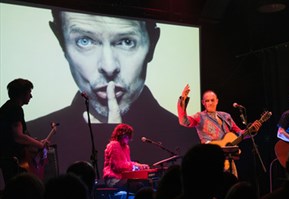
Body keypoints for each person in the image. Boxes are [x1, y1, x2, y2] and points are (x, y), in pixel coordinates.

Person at [27, 9, 198, 178]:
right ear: (61, 41)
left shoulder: (186, 134)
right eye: (84, 41)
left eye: (126, 42)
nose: (109, 67)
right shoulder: (34, 130)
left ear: (152, 44)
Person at [177, 84, 262, 176]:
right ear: (203, 103)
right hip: (210, 159)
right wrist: (182, 100)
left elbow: (239, 134)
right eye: (207, 101)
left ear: (217, 101)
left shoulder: (226, 116)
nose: (210, 103)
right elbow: (184, 121)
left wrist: (252, 130)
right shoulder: (199, 116)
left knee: (231, 186)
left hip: (228, 159)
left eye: (212, 100)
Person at [0, 78, 49, 184]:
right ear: (22, 94)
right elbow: (18, 136)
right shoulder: (15, 109)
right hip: (14, 160)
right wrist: (40, 145)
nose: (31, 96)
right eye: (29, 93)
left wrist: (35, 142)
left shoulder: (7, 107)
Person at [103, 123, 150, 188]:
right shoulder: (114, 145)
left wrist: (141, 166)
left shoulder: (126, 147)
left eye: (128, 136)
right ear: (120, 135)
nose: (127, 138)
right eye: (125, 136)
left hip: (122, 178)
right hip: (113, 179)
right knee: (139, 185)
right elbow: (117, 166)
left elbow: (127, 164)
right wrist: (136, 166)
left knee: (145, 182)